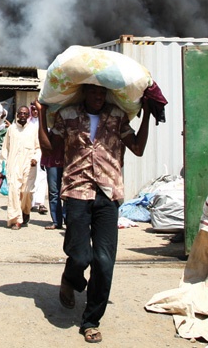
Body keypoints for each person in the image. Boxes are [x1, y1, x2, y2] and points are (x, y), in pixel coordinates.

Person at [37, 84, 150, 344]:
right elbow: (48, 149)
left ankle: (90, 320)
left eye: (102, 94)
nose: (99, 98)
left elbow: (138, 148)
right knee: (79, 254)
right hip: (77, 191)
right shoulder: (67, 116)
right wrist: (42, 115)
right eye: (94, 93)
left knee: (104, 261)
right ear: (84, 93)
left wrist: (148, 118)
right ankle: (71, 277)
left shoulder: (117, 115)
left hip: (108, 194)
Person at [1, 105, 41, 229]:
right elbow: (5, 148)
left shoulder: (34, 129)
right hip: (13, 165)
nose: (22, 116)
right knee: (14, 191)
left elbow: (38, 147)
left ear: (28, 115)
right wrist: (4, 164)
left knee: (26, 191)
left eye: (25, 114)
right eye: (20, 113)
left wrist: (35, 158)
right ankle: (15, 219)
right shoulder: (11, 129)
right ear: (17, 115)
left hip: (29, 165)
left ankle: (25, 210)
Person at [29, 101, 48, 216]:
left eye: (37, 110)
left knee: (42, 176)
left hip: (42, 151)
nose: (35, 112)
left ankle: (40, 202)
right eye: (34, 110)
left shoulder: (44, 122)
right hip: (30, 152)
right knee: (31, 176)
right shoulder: (28, 122)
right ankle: (30, 202)